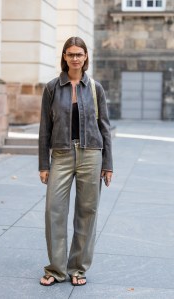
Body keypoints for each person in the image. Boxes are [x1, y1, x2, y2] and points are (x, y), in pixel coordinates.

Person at [39, 36, 113, 287]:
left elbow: (105, 127)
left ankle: (78, 269)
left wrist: (108, 164)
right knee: (53, 211)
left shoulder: (95, 88)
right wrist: (43, 164)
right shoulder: (51, 87)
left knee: (87, 212)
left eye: (79, 54)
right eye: (70, 54)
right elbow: (44, 128)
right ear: (64, 57)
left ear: (85, 57)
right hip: (60, 154)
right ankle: (56, 269)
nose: (75, 58)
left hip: (91, 154)